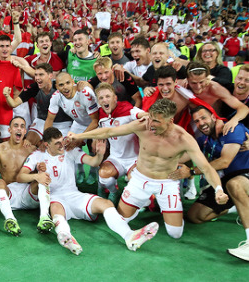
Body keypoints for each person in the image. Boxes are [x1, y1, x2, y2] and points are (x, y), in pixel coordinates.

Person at [68, 99, 229, 239]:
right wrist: (79, 136)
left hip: (167, 183)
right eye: (151, 118)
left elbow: (206, 168)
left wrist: (219, 190)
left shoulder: (183, 139)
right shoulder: (143, 125)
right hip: (140, 179)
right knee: (121, 220)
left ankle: (150, 203)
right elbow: (109, 131)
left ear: (170, 121)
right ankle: (140, 202)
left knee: (175, 233)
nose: (151, 124)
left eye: (157, 121)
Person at [24, 127, 158, 255]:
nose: (61, 145)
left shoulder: (70, 151)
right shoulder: (37, 155)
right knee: (55, 210)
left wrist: (99, 154)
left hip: (74, 195)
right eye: (57, 143)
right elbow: (21, 175)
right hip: (55, 198)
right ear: (47, 145)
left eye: (62, 141)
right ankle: (65, 236)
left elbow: (93, 162)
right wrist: (36, 176)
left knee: (106, 204)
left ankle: (129, 236)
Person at [181, 106, 249, 261]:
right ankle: (237, 207)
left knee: (235, 185)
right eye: (197, 121)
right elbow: (184, 155)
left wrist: (192, 171)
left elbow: (225, 161)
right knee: (195, 215)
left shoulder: (232, 128)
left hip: (245, 172)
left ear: (213, 116)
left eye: (203, 118)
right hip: (227, 179)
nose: (201, 123)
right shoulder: (203, 139)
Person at [0, 117, 41, 236]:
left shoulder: (31, 149)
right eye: (16, 126)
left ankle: (45, 217)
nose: (19, 128)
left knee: (42, 181)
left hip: (28, 193)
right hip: (8, 194)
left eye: (22, 126)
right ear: (10, 130)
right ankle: (10, 218)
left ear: (25, 131)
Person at [93, 83, 146, 203]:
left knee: (135, 180)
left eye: (107, 96)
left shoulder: (127, 109)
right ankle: (113, 192)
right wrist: (96, 140)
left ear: (115, 98)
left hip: (135, 159)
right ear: (98, 101)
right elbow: (100, 129)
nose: (104, 100)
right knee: (103, 175)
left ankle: (138, 200)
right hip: (116, 158)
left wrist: (148, 116)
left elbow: (140, 114)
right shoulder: (101, 113)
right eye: (101, 98)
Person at [3, 63, 72, 146]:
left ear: (50, 76)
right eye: (36, 75)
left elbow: (75, 88)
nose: (37, 78)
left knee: (61, 148)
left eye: (41, 75)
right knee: (27, 144)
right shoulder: (34, 88)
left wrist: (83, 85)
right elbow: (14, 104)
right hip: (42, 120)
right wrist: (7, 95)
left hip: (64, 122)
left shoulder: (59, 86)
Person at [186, 62, 248, 135]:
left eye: (247, 80)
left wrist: (233, 120)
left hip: (220, 128)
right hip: (191, 127)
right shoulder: (181, 88)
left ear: (206, 79)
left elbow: (243, 108)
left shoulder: (215, 88)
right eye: (193, 83)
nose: (198, 86)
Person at [44, 72, 99, 146]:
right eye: (61, 85)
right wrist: (46, 140)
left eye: (68, 83)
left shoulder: (85, 93)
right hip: (79, 123)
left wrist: (80, 137)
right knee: (68, 147)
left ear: (73, 82)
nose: (65, 87)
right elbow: (49, 119)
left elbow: (95, 121)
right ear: (56, 87)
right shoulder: (56, 96)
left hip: (96, 124)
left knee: (96, 147)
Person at [221, 64, 249, 128]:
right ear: (235, 78)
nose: (242, 82)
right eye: (240, 78)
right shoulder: (225, 87)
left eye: (247, 80)